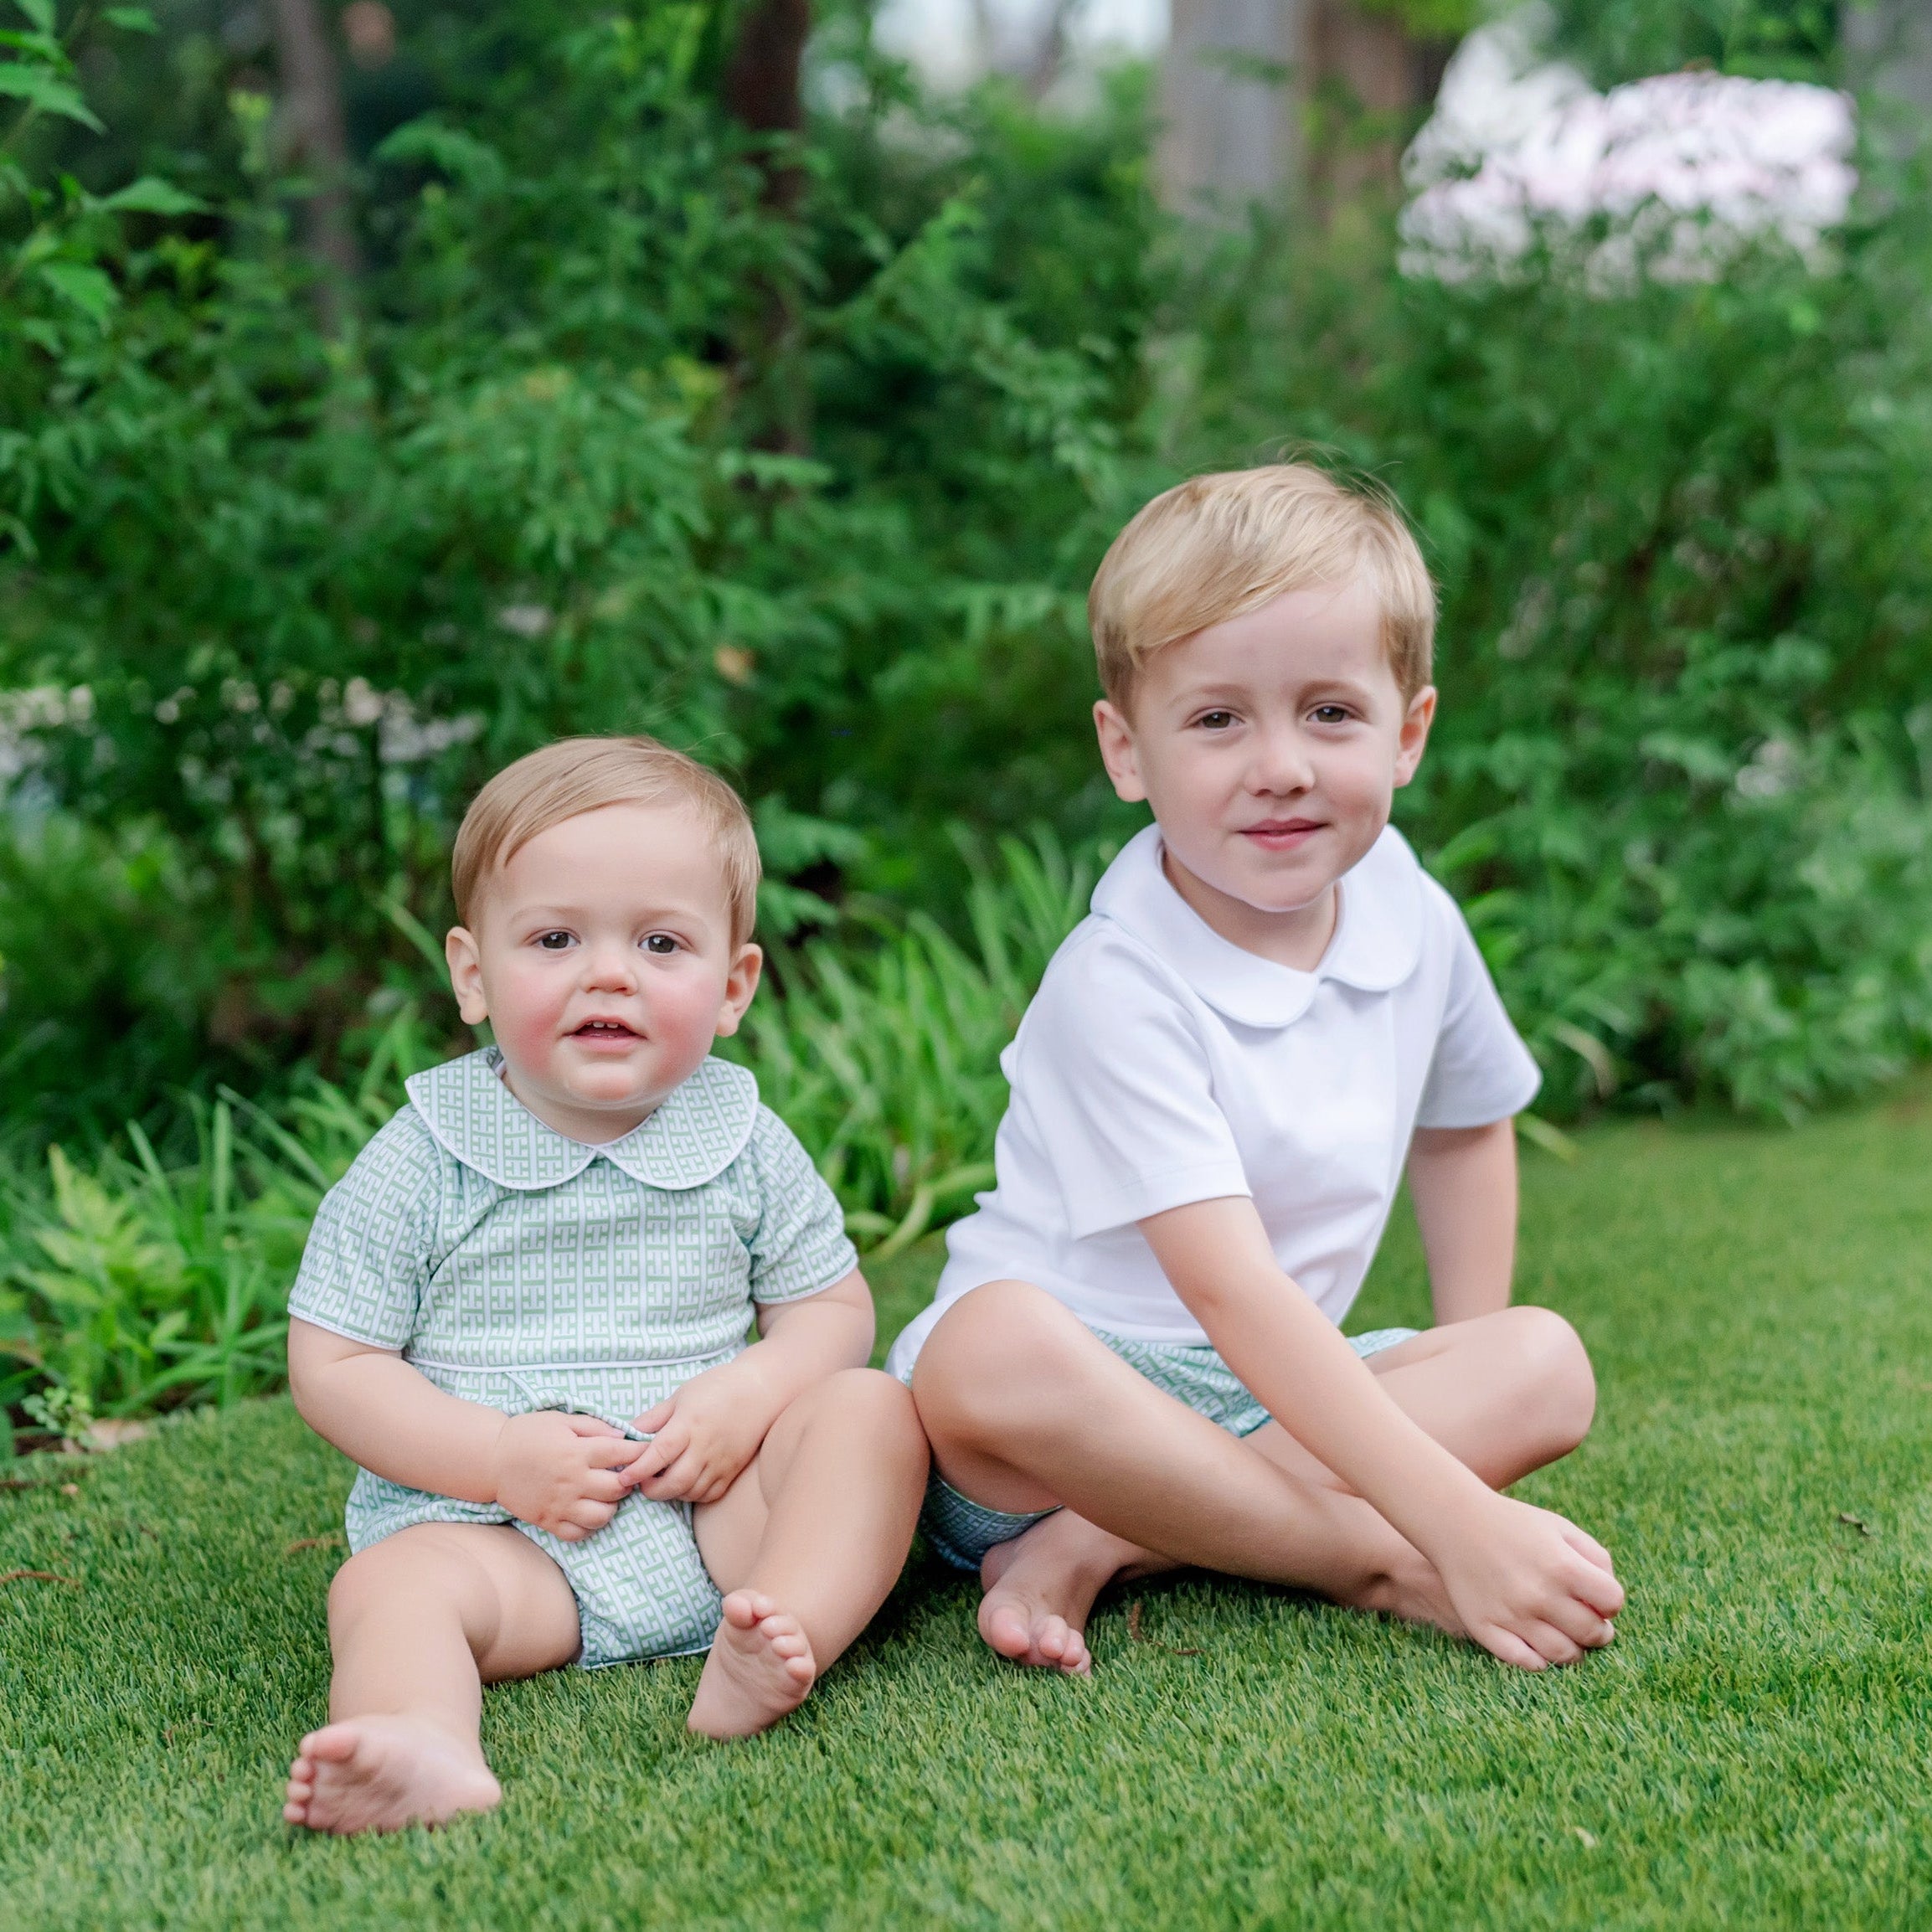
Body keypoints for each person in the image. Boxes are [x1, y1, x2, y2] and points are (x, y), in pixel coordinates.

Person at [888, 464, 1625, 1679]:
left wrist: (1466, 1358)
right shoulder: (1117, 983)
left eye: (1330, 713)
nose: (1279, 764)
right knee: (984, 1347)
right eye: (1218, 719)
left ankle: (1106, 1548)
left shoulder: (1410, 912)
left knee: (1542, 1364)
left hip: (1275, 1409)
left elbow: (1466, 1122)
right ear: (1128, 751)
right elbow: (1229, 1292)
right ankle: (1359, 1560)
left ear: (1409, 733)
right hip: (1072, 1412)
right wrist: (1446, 1519)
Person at [281, 737, 927, 1835]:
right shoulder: (424, 1155)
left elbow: (831, 1311)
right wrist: (495, 1457)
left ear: (733, 987)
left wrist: (752, 1393)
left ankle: (778, 1634)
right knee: (388, 1592)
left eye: (661, 941)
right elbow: (334, 1365)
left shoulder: (747, 1142)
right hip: (505, 1540)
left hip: (717, 1516)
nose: (610, 973)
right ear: (473, 975)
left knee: (872, 1409)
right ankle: (420, 1738)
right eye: (555, 938)